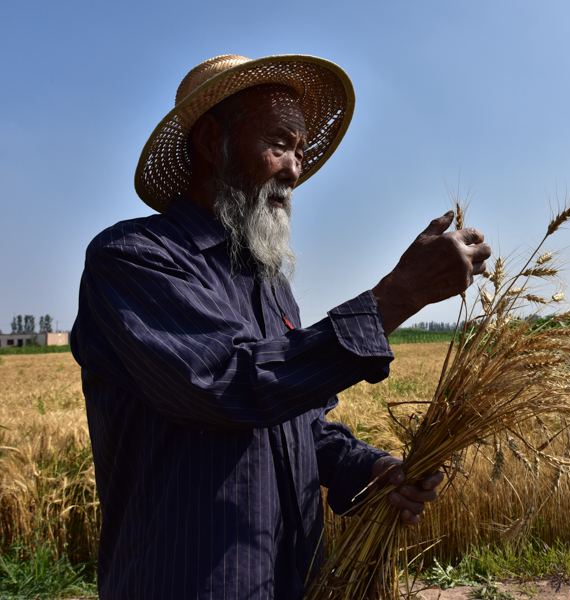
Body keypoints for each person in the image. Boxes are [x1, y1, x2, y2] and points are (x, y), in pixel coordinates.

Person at [71, 54, 491, 599]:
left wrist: (370, 470)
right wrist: (401, 294)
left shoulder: (269, 282)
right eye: (278, 143)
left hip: (292, 582)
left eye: (300, 150)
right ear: (209, 141)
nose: (295, 169)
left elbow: (302, 422)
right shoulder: (132, 259)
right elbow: (229, 385)